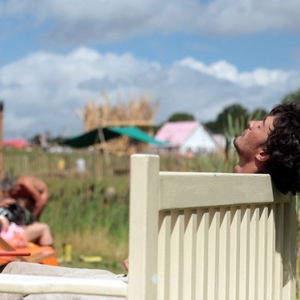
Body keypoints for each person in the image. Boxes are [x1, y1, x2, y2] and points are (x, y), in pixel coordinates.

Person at [1, 102, 300, 299]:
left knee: (23, 286)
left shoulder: (229, 197)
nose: (250, 120)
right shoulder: (276, 202)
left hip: (151, 290)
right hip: (159, 284)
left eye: (260, 124)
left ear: (262, 153)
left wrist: (151, 268)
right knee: (14, 270)